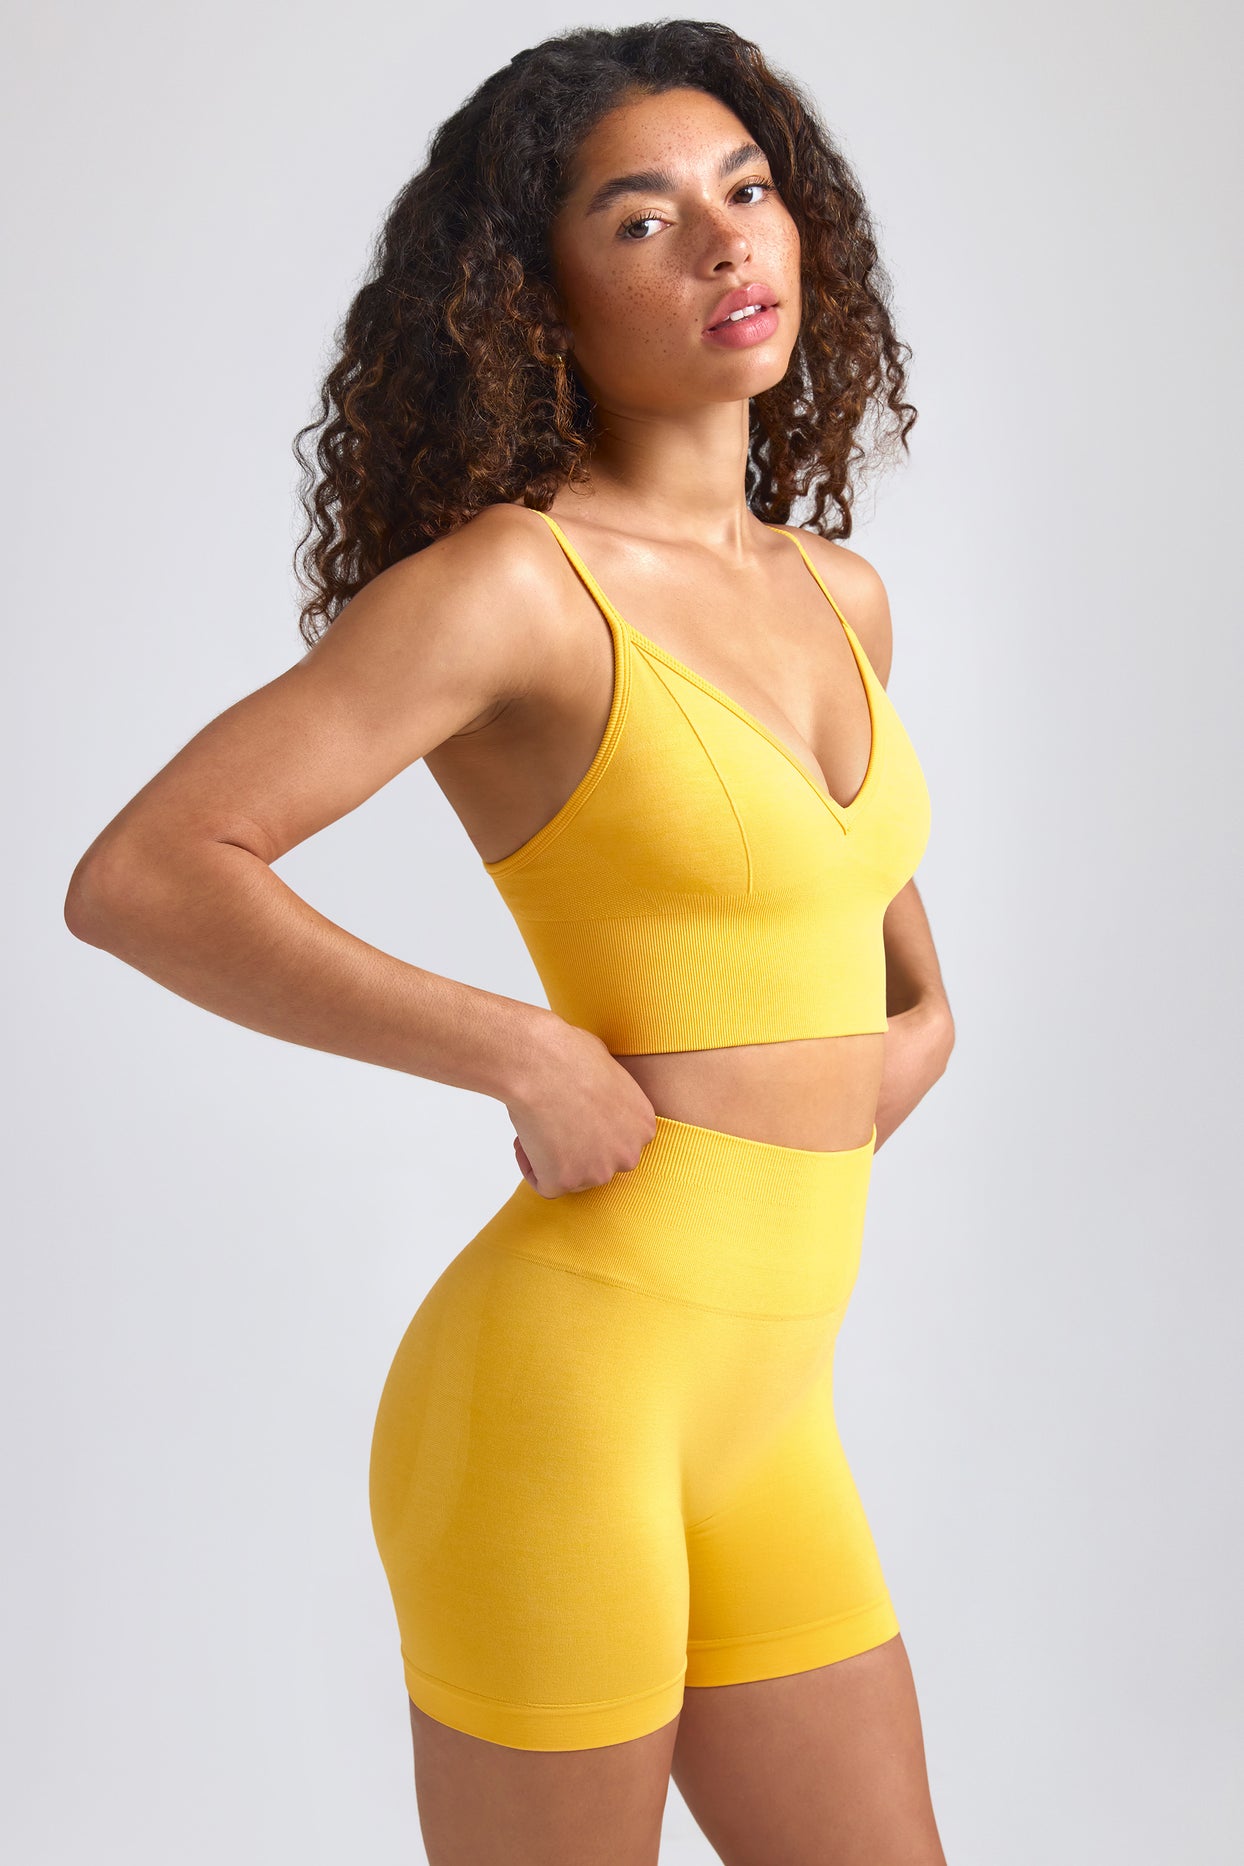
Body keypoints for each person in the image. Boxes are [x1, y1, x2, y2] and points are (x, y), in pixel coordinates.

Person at [65, 20, 955, 1865]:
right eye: (642, 219)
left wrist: (926, 1021)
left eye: (747, 188)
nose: (725, 239)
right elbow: (148, 871)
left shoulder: (841, 594)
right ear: (534, 300)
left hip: (773, 1410)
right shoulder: (516, 589)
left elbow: (849, 909)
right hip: (563, 1399)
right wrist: (520, 1048)